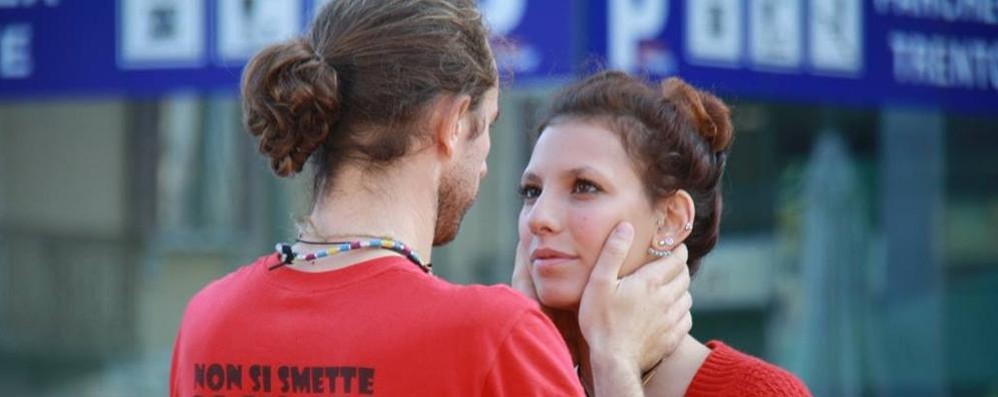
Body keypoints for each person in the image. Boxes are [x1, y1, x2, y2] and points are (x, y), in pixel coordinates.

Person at [169, 1, 693, 396]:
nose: (487, 164)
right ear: (450, 123)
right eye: (486, 127)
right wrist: (616, 368)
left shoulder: (207, 320)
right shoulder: (493, 335)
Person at [514, 71, 812, 396]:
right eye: (532, 191)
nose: (539, 217)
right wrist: (528, 356)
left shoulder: (758, 392)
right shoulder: (500, 377)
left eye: (585, 187)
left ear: (671, 219)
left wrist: (615, 368)